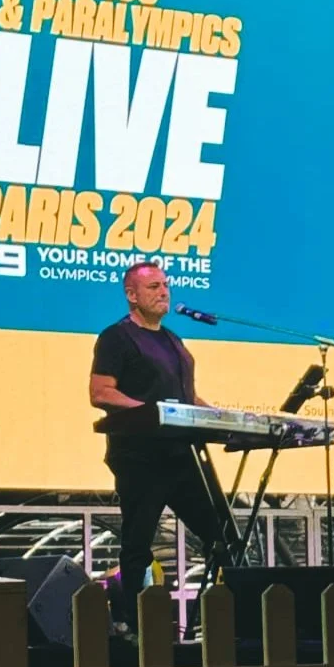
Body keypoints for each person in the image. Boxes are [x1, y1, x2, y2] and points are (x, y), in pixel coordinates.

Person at [89, 262, 224, 635]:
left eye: (165, 285)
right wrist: (153, 412)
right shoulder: (117, 338)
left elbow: (184, 397)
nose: (163, 292)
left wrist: (218, 416)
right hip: (141, 459)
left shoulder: (173, 340)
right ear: (132, 295)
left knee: (221, 538)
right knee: (138, 542)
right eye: (153, 287)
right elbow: (101, 392)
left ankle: (232, 620)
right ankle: (132, 625)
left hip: (181, 457)